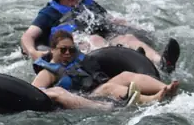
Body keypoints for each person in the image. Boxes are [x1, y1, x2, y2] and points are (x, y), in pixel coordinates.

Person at [20, 0, 179, 72]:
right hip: (77, 44)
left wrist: (138, 27)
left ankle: (161, 63)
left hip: (101, 37)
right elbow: (28, 36)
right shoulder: (49, 12)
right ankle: (122, 66)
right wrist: (33, 52)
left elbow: (111, 20)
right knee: (95, 39)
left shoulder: (90, 6)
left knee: (128, 38)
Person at [31, 30, 179, 108]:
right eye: (63, 50)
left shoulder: (75, 60)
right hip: (84, 97)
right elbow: (33, 92)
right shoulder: (48, 72)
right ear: (53, 49)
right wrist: (59, 94)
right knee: (109, 87)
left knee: (126, 75)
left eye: (71, 49)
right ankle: (153, 99)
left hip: (94, 86)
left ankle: (166, 87)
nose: (68, 53)